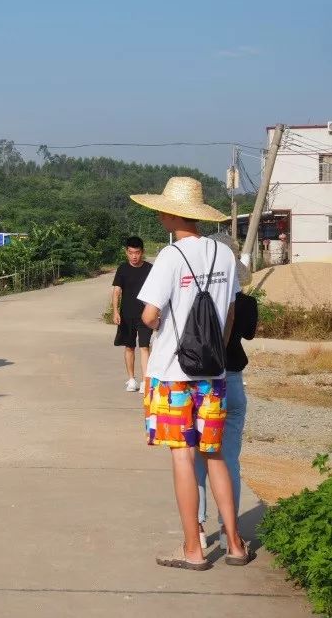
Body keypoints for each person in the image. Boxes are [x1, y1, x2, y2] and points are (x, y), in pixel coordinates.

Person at [131, 176, 252, 570]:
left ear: (169, 214)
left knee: (183, 457)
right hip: (213, 374)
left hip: (173, 374)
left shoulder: (169, 257)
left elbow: (149, 314)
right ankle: (235, 544)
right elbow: (231, 312)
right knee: (214, 454)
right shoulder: (222, 253)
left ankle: (193, 549)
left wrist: (165, 323)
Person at [195, 233, 257, 551]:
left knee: (196, 458)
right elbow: (248, 331)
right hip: (233, 380)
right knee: (229, 459)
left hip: (202, 383)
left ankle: (198, 528)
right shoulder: (246, 302)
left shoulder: (196, 295)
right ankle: (231, 530)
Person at [112, 236, 153, 393]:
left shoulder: (150, 268)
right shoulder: (122, 268)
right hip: (126, 314)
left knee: (144, 347)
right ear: (126, 252)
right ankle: (131, 379)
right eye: (131, 253)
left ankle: (144, 381)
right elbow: (117, 291)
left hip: (145, 315)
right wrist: (115, 311)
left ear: (142, 252)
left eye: (137, 253)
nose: (134, 256)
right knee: (129, 346)